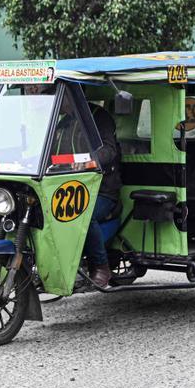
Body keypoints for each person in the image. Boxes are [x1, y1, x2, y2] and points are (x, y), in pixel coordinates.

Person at [50, 94, 122, 287]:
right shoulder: (62, 124)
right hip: (65, 189)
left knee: (81, 213)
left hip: (101, 191)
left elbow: (109, 150)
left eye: (61, 96)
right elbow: (47, 153)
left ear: (71, 97)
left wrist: (88, 161)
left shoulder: (99, 117)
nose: (57, 101)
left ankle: (100, 266)